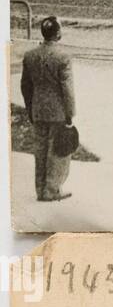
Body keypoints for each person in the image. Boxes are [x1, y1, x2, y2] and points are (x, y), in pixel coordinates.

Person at [20, 16, 76, 202]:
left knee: (41, 150)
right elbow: (67, 89)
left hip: (38, 109)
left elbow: (25, 86)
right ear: (58, 33)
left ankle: (40, 189)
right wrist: (70, 113)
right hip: (58, 111)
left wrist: (30, 108)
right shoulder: (63, 57)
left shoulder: (30, 56)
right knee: (58, 152)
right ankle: (51, 189)